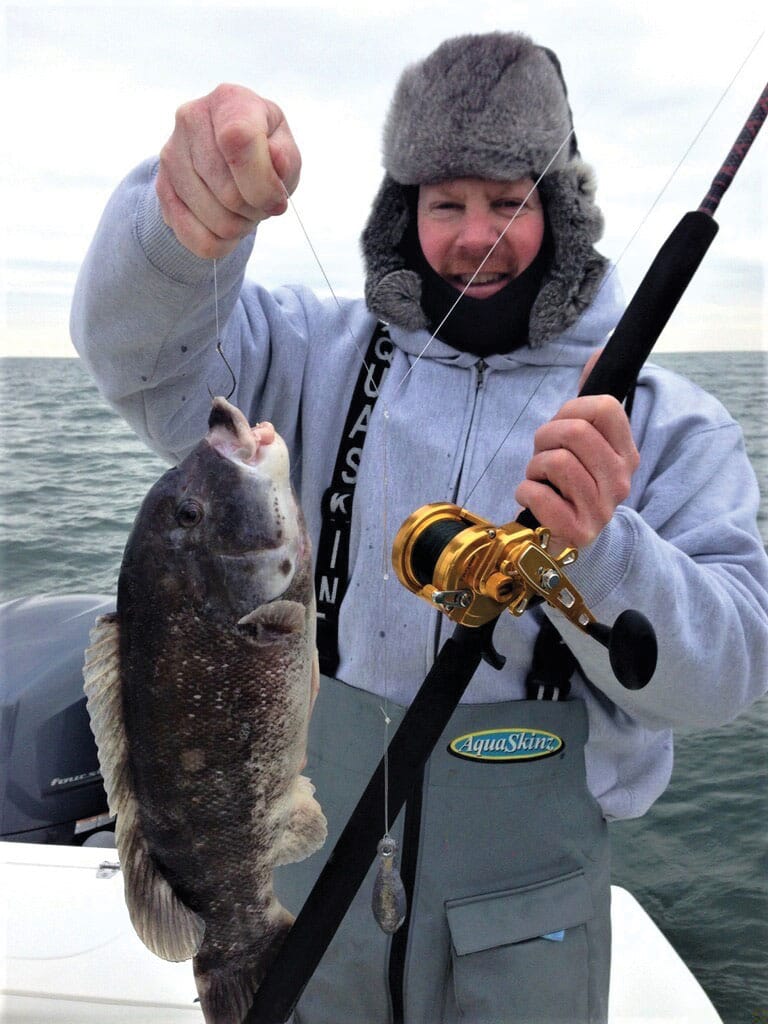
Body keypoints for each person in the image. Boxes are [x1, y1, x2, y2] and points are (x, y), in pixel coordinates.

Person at [71, 31, 768, 1024]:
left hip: (535, 932)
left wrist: (608, 555)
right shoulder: (318, 355)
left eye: (509, 201)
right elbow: (136, 354)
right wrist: (179, 224)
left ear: (561, 211)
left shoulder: (669, 420)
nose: (474, 236)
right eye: (446, 202)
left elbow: (734, 669)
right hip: (311, 893)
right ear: (407, 214)